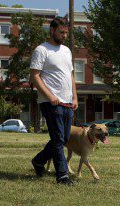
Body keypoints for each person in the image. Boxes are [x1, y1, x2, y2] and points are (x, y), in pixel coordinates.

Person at [30, 16, 78, 185]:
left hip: (67, 102)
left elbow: (70, 75)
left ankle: (38, 161)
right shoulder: (41, 50)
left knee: (63, 139)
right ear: (52, 30)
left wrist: (75, 97)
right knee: (58, 139)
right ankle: (62, 176)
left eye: (66, 33)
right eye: (61, 32)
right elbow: (35, 75)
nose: (64, 36)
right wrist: (50, 96)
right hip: (50, 102)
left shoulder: (66, 51)